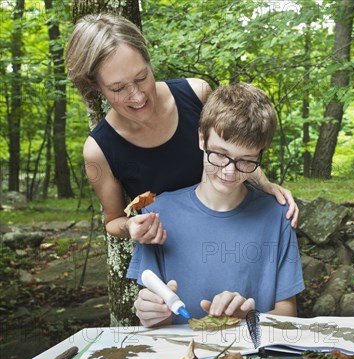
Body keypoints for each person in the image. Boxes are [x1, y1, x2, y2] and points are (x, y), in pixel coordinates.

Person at [65, 14, 298, 246]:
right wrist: (131, 228)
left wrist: (264, 184)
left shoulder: (197, 94)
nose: (137, 96)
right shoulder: (99, 150)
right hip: (175, 255)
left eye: (141, 77)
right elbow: (113, 220)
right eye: (118, 88)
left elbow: (236, 150)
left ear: (148, 62)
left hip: (237, 234)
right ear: (95, 85)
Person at [127, 83, 304, 327]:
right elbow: (153, 319)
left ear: (260, 154)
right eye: (219, 154)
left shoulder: (277, 216)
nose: (229, 171)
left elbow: (288, 312)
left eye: (246, 160)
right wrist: (151, 314)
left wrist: (248, 320)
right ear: (201, 138)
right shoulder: (158, 215)